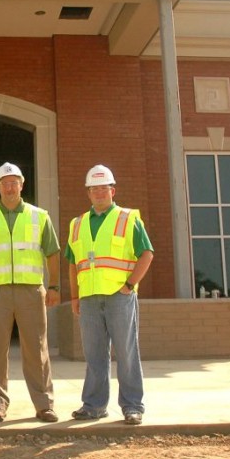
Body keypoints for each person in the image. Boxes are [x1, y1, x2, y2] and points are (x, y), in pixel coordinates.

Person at [0, 162, 61, 423]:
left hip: (31, 291)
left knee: (36, 349)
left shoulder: (39, 216)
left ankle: (44, 404)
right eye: (4, 183)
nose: (9, 187)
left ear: (22, 185)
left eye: (14, 183)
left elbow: (52, 253)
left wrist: (53, 286)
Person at [66, 164, 154, 425]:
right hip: (89, 298)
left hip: (119, 296)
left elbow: (146, 254)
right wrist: (75, 296)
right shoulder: (77, 224)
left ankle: (132, 406)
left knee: (126, 352)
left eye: (104, 188)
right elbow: (72, 263)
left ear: (112, 191)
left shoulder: (128, 219)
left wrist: (129, 285)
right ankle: (93, 406)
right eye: (94, 189)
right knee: (94, 354)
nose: (99, 193)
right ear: (88, 193)